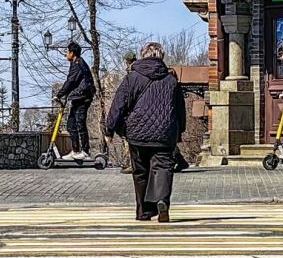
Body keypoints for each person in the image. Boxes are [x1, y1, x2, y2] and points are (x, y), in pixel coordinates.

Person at [106, 42, 186, 223]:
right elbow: (180, 109)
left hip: (137, 132)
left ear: (143, 55)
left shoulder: (132, 77)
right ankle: (162, 201)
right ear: (161, 57)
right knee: (163, 167)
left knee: (140, 171)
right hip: (165, 133)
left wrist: (109, 129)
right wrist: (179, 130)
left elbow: (119, 104)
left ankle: (143, 212)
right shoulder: (171, 80)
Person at [56, 41, 94, 161]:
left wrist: (59, 94)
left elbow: (71, 81)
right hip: (78, 97)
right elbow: (72, 83)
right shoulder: (75, 63)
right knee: (71, 124)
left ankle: (85, 151)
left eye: (67, 52)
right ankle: (75, 150)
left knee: (79, 122)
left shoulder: (78, 64)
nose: (66, 54)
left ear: (72, 53)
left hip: (83, 97)